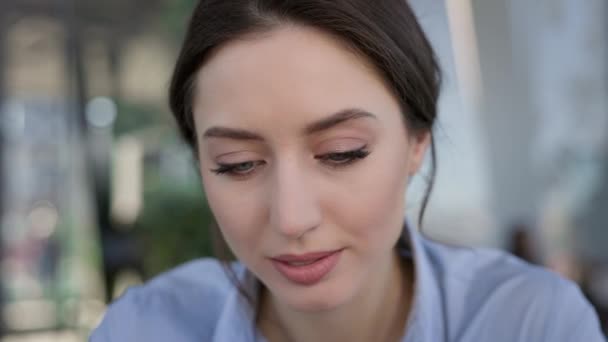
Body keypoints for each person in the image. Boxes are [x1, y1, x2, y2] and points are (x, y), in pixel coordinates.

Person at [90, 1, 605, 341]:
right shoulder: (144, 329)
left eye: (342, 152)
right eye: (238, 164)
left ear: (416, 143)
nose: (292, 219)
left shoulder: (532, 324)